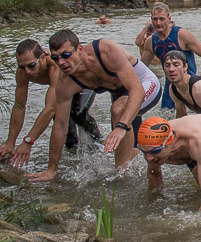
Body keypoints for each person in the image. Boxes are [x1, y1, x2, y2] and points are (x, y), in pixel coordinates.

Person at [26, 29, 161, 182]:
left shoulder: (106, 51)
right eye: (56, 58)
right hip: (120, 95)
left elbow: (137, 91)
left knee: (118, 110)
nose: (61, 62)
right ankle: (137, 161)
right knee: (128, 139)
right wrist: (51, 170)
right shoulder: (65, 82)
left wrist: (121, 126)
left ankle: (123, 177)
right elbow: (60, 126)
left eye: (66, 55)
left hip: (144, 84)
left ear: (79, 49)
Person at [0, 39, 100, 167]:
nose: (27, 71)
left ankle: (99, 144)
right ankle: (73, 162)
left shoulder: (54, 66)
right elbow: (19, 107)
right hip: (64, 88)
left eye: (31, 65)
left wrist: (28, 141)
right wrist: (10, 143)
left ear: (42, 57)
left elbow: (50, 108)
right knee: (66, 131)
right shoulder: (22, 73)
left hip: (84, 82)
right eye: (22, 66)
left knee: (77, 113)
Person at [139, 2, 201, 109]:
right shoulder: (151, 41)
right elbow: (141, 68)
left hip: (190, 84)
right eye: (155, 19)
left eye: (162, 19)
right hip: (170, 86)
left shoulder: (182, 35)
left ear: (169, 19)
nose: (158, 23)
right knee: (166, 114)